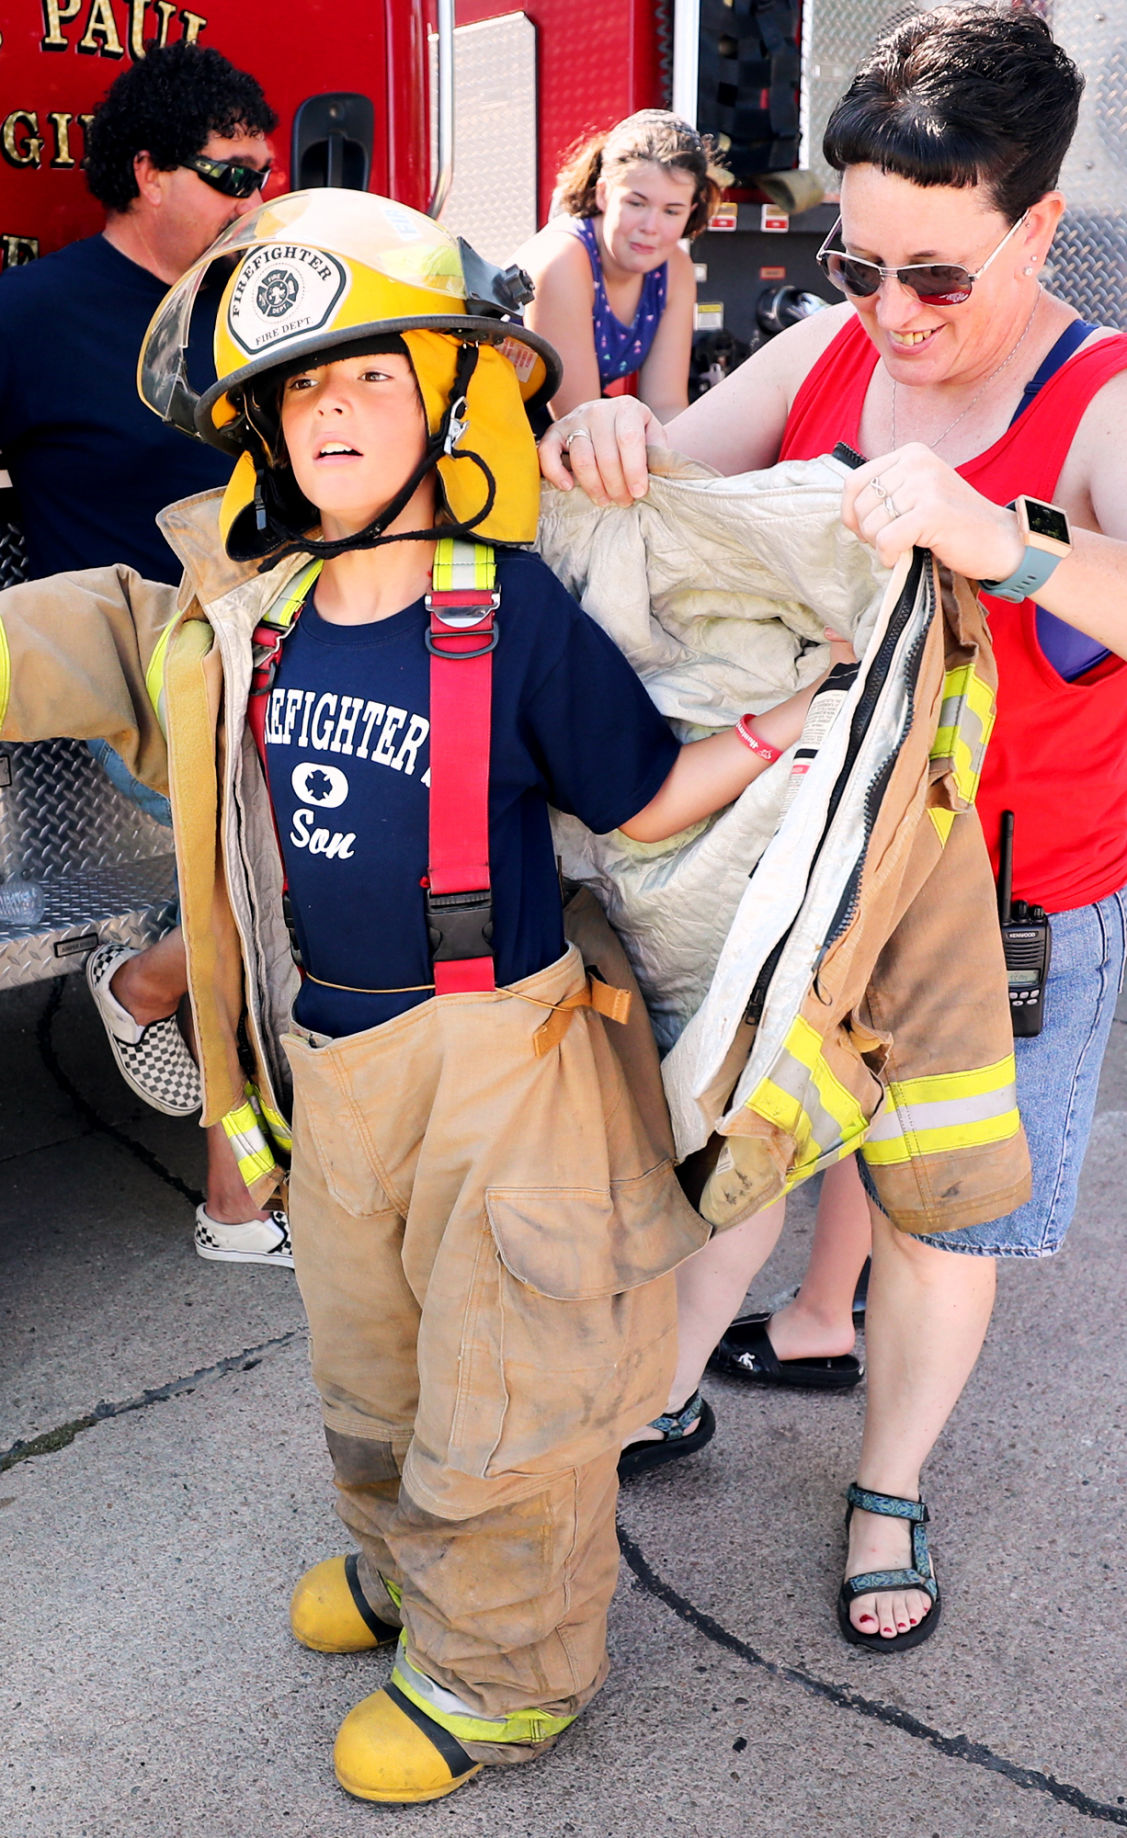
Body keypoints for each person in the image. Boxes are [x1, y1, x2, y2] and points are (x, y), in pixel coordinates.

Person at [0, 190, 856, 1802]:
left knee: (504, 1386)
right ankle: (409, 1577)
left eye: (370, 376)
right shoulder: (249, 623)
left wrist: (765, 740)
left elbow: (635, 798)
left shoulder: (512, 607)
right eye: (300, 388)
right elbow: (91, 644)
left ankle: (503, 1677)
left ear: (455, 401)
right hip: (341, 1055)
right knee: (375, 1360)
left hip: (505, 1062)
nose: (329, 409)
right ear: (259, 428)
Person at [540, 2, 1127, 1651]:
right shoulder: (832, 354)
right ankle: (666, 1388)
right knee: (733, 1153)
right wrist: (604, 439)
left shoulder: (1096, 396)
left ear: (1036, 229)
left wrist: (999, 540)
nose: (892, 311)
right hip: (798, 873)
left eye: (935, 273)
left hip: (1012, 896)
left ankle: (886, 1486)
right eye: (855, 264)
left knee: (941, 1212)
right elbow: (656, 494)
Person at [0, 42, 288, 1267]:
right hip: (144, 670)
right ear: (145, 171)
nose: (256, 199)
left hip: (282, 637)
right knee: (276, 844)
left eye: (265, 171)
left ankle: (151, 983)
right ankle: (236, 1197)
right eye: (230, 173)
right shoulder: (32, 313)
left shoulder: (260, 300)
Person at [514, 110, 721, 423]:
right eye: (636, 204)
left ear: (691, 211)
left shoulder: (675, 269)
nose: (651, 227)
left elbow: (666, 406)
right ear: (604, 193)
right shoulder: (562, 261)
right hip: (487, 433)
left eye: (672, 211)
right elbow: (579, 422)